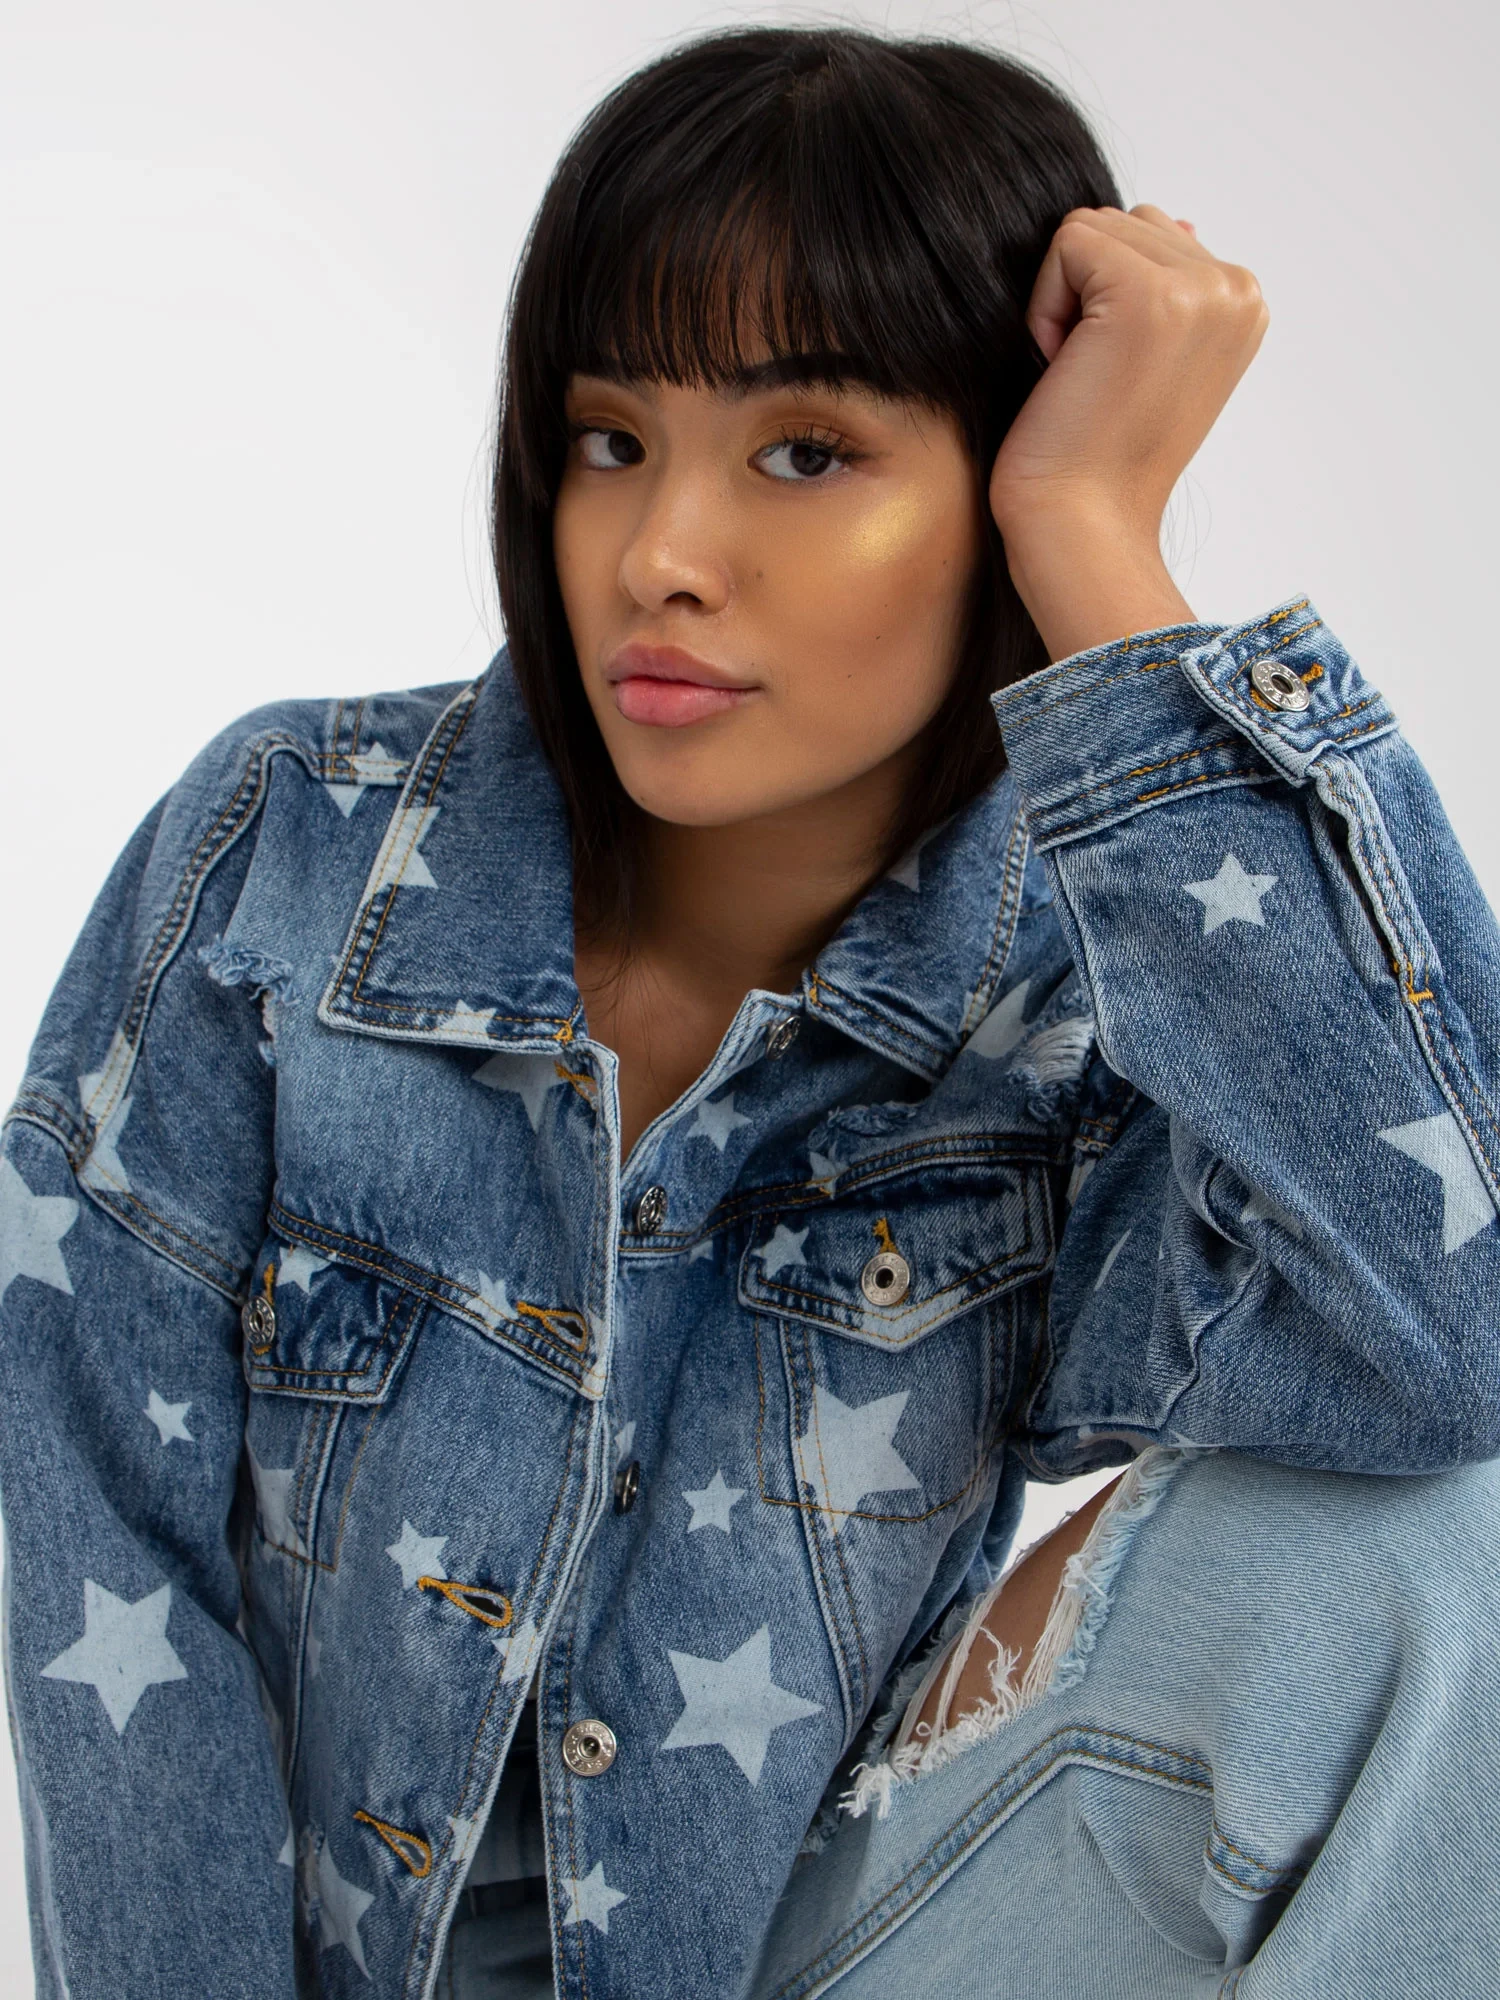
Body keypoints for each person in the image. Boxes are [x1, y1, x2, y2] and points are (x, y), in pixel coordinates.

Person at [1, 24, 1496, 2000]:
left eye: (805, 452)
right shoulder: (284, 853)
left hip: (804, 1959)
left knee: (1451, 1559)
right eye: (610, 438)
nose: (662, 557)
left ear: (1000, 482)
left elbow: (1451, 1338)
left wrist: (1103, 551)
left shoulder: (1081, 997)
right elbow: (102, 1550)